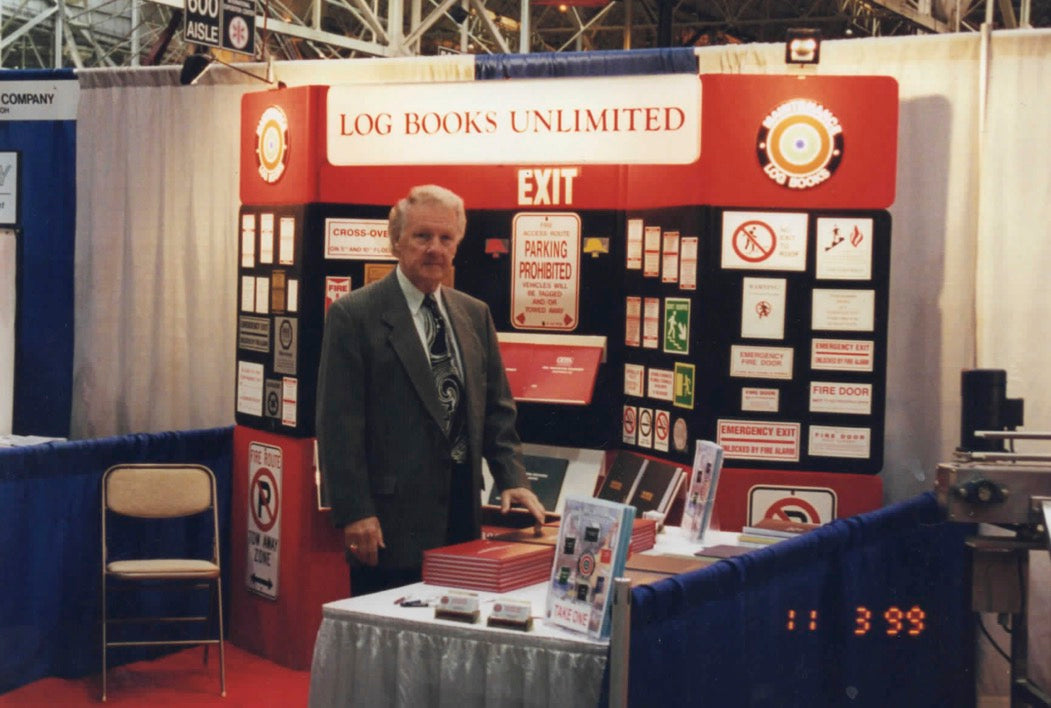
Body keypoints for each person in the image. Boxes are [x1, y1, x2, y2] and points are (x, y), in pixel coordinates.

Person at [316, 184, 546, 596]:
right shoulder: (354, 315)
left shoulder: (474, 314)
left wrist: (513, 478)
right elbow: (339, 425)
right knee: (390, 648)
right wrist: (355, 513)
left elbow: (497, 410)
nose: (434, 249)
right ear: (396, 242)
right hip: (387, 526)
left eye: (446, 238)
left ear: (457, 245)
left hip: (462, 517)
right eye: (422, 237)